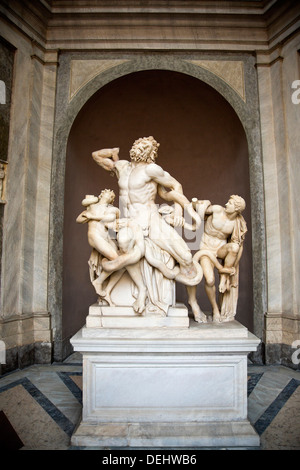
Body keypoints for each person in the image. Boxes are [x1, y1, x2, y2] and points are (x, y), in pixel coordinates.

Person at [92, 137, 202, 286]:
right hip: (128, 220)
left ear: (151, 152)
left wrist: (178, 213)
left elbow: (176, 186)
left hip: (150, 219)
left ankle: (183, 281)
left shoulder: (151, 169)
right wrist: (112, 152)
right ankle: (118, 274)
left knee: (185, 257)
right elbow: (96, 156)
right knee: (123, 243)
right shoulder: (122, 167)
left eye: (146, 146)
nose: (140, 148)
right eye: (139, 144)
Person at [76, 189, 147, 313]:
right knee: (120, 261)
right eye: (108, 193)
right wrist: (89, 212)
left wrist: (93, 216)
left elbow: (110, 220)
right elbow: (79, 219)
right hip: (95, 236)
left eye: (111, 196)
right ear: (101, 194)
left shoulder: (113, 210)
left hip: (106, 239)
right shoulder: (92, 207)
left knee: (122, 264)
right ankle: (99, 282)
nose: (109, 196)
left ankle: (107, 291)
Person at [188, 195, 247, 322]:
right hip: (206, 249)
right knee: (209, 280)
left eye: (230, 203)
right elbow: (195, 207)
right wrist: (200, 203)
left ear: (237, 209)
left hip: (220, 249)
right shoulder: (216, 209)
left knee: (234, 248)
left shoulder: (236, 223)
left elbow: (238, 247)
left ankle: (224, 276)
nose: (226, 204)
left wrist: (231, 270)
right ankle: (215, 308)